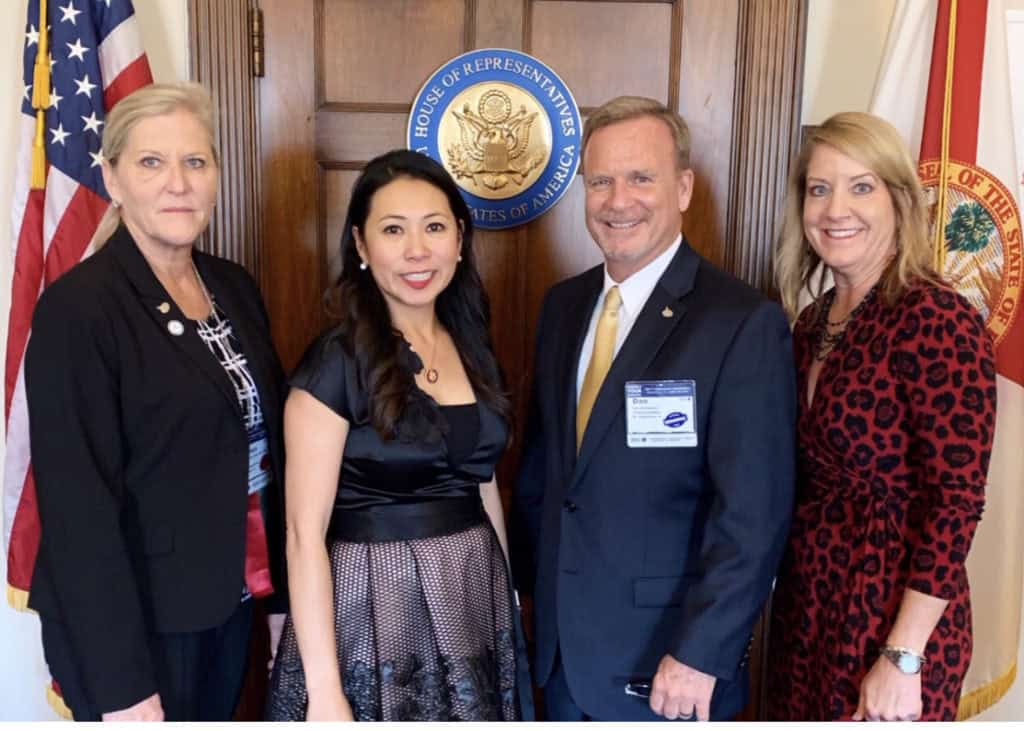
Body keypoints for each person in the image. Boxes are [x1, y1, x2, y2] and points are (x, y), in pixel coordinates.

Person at [511, 95, 797, 721]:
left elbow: (755, 514)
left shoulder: (741, 323)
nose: (619, 201)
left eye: (642, 177)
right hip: (562, 659)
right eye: (601, 182)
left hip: (670, 667)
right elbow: (546, 475)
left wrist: (702, 653)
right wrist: (529, 601)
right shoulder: (563, 306)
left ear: (685, 187)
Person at [24, 82, 288, 721]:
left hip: (228, 599)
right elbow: (78, 513)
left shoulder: (233, 287)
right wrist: (123, 688)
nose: (178, 182)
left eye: (195, 162)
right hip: (133, 629)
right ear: (112, 179)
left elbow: (264, 453)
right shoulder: (78, 310)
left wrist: (279, 601)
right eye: (152, 162)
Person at [265, 149, 532, 722]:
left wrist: (505, 601)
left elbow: (480, 483)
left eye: (434, 227)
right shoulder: (334, 361)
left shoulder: (473, 347)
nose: (417, 250)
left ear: (459, 239)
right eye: (393, 230)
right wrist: (325, 692)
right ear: (361, 246)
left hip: (471, 601)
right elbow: (301, 536)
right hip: (372, 613)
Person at [767, 111, 996, 722]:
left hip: (892, 615)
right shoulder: (810, 325)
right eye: (820, 188)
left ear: (899, 200)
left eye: (860, 186)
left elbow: (956, 502)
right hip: (809, 602)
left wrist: (903, 657)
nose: (836, 208)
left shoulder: (936, 318)